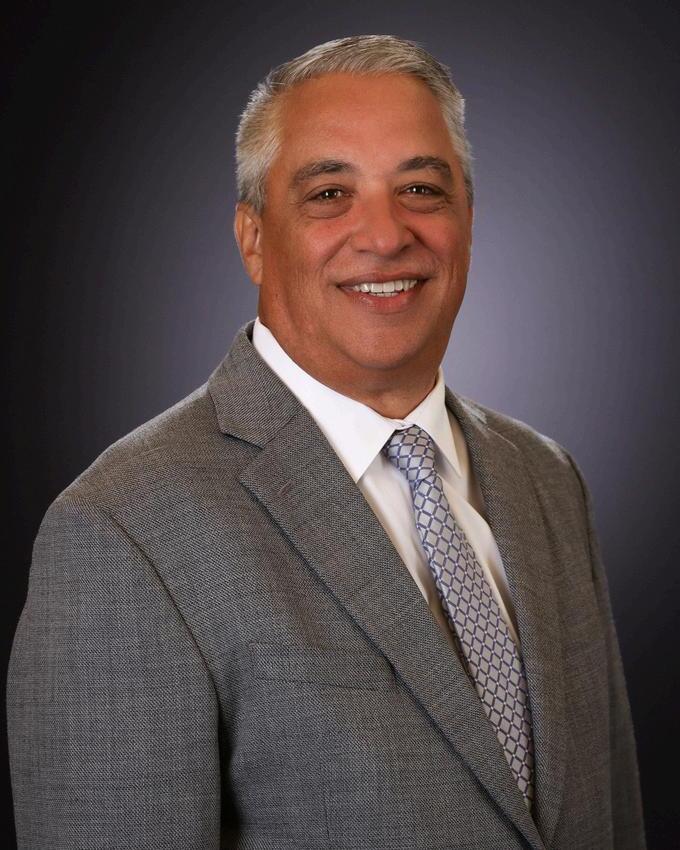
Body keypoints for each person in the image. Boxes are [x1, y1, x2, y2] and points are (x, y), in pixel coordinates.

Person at [7, 35, 646, 850]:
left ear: (468, 221)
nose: (384, 234)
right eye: (329, 194)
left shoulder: (547, 480)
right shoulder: (123, 531)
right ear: (253, 238)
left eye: (420, 188)